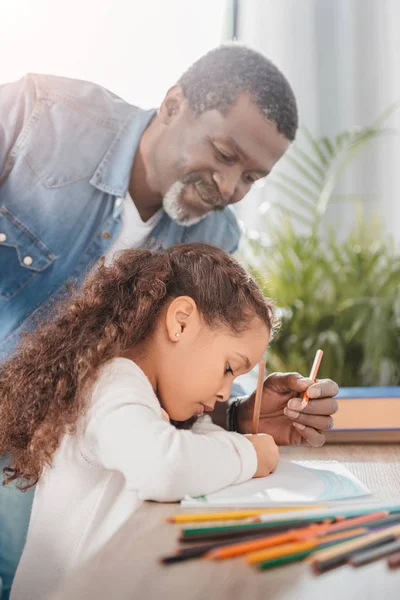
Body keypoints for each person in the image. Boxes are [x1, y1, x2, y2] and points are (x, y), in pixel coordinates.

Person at [0, 44, 338, 597]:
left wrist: (242, 415)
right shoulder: (39, 119)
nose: (230, 189)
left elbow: (172, 396)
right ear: (174, 104)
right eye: (225, 153)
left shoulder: (215, 241)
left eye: (252, 176)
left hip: (48, 452)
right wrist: (245, 453)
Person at [3, 243, 278, 599]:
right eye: (229, 368)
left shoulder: (143, 393)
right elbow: (164, 468)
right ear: (181, 322)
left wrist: (232, 438)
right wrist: (250, 455)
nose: (226, 392)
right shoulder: (112, 384)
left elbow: (198, 438)